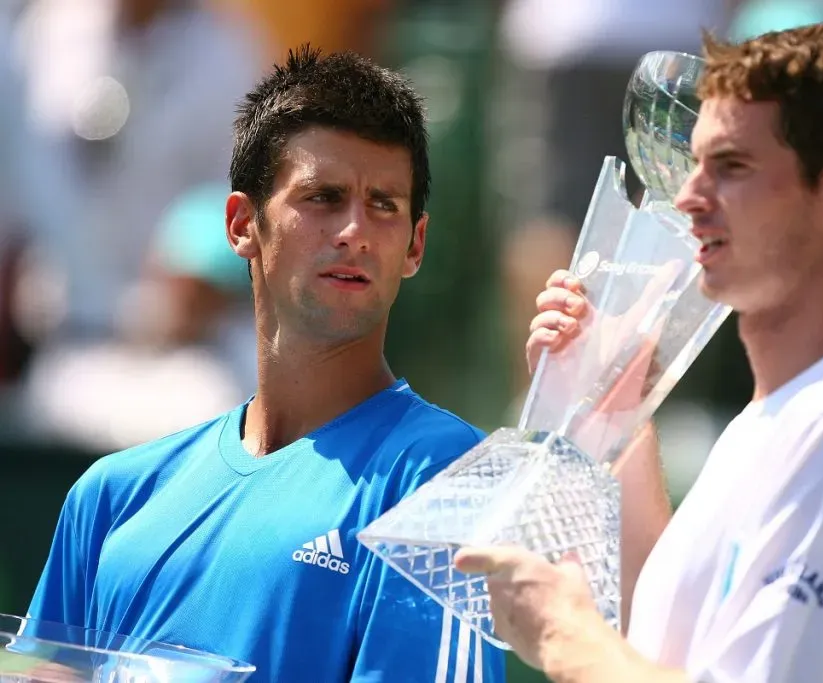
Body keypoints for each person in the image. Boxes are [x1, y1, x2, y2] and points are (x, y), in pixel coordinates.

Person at [455, 21, 823, 683]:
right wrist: (614, 412)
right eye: (695, 164)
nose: (689, 197)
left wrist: (561, 632)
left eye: (732, 166)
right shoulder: (790, 419)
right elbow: (666, 652)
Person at [28, 46, 506, 683]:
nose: (356, 231)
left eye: (384, 204)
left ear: (415, 245)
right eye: (324, 197)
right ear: (241, 225)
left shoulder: (447, 479)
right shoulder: (109, 498)